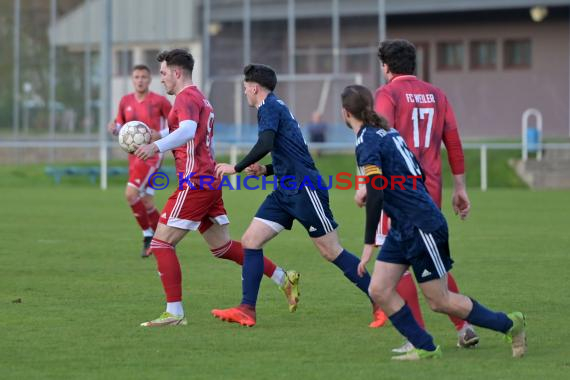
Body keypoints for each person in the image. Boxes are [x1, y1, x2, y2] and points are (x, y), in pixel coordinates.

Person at [342, 84, 526, 361]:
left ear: (345, 113)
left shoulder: (367, 140)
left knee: (439, 301)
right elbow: (406, 173)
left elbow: (381, 189)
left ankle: (510, 324)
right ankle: (425, 347)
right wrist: (371, 189)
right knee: (378, 289)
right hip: (404, 226)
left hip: (420, 225)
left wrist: (368, 243)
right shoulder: (385, 132)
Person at [211, 64, 387, 327]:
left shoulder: (269, 107)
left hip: (305, 189)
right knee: (250, 241)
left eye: (245, 87)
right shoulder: (274, 107)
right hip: (285, 189)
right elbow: (290, 150)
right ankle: (247, 309)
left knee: (330, 251)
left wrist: (234, 167)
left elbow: (267, 144)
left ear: (254, 87)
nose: (244, 91)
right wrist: (266, 170)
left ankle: (381, 300)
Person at [133, 49, 299, 327]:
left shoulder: (186, 97)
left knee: (161, 243)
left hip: (195, 181)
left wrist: (155, 146)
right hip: (208, 179)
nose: (160, 79)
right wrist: (159, 134)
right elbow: (191, 131)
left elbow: (187, 131)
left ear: (177, 72)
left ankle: (174, 313)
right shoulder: (200, 97)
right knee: (222, 248)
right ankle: (284, 277)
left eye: (162, 73)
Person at [355, 39, 477, 351]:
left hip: (399, 190)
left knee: (400, 261)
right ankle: (464, 326)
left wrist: (365, 183)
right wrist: (460, 187)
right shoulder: (437, 94)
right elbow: (454, 140)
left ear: (386, 67)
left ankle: (417, 339)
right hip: (430, 190)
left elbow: (378, 136)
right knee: (430, 260)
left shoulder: (388, 93)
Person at [107, 64, 172, 258]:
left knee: (130, 194)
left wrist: (159, 135)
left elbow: (176, 125)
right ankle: (166, 239)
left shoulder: (159, 101)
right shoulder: (125, 101)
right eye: (136, 77)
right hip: (133, 157)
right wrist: (114, 127)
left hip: (152, 156)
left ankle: (148, 236)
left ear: (149, 79)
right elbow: (121, 126)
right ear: (132, 79)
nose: (140, 80)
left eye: (144, 76)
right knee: (146, 201)